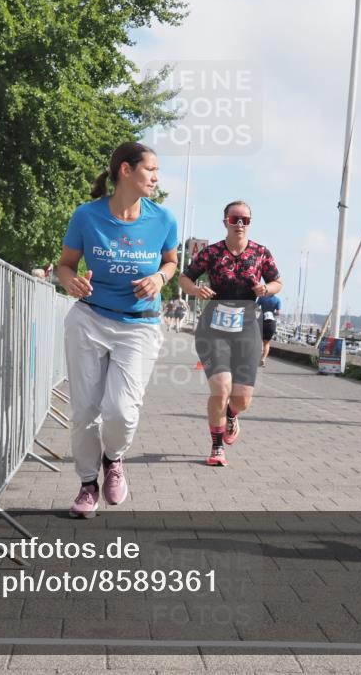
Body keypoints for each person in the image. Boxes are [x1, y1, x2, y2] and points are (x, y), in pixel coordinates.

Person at [56, 142, 178, 518]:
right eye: (151, 170)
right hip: (90, 319)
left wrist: (159, 277)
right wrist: (70, 282)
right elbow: (65, 265)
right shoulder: (86, 216)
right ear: (126, 170)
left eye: (157, 171)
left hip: (139, 326)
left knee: (121, 411)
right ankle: (88, 484)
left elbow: (171, 262)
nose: (156, 178)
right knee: (84, 411)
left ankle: (115, 458)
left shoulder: (163, 219)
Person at [179, 201, 282, 466]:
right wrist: (196, 290)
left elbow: (277, 281)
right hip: (214, 326)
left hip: (247, 326)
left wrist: (266, 289)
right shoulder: (212, 252)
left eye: (245, 220)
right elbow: (184, 277)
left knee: (242, 399)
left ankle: (232, 415)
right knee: (221, 387)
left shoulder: (260, 252)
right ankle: (216, 448)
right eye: (235, 218)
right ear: (225, 220)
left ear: (250, 223)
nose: (240, 224)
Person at [256, 291, 281, 366]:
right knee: (267, 342)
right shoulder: (277, 300)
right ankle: (263, 359)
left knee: (259, 340)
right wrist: (272, 312)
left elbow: (256, 308)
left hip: (262, 321)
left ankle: (257, 356)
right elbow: (278, 313)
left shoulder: (262, 298)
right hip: (271, 322)